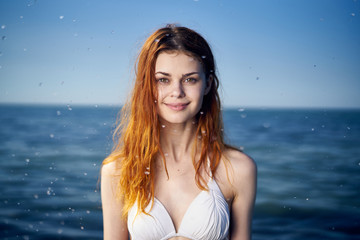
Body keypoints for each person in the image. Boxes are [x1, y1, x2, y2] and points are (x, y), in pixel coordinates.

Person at [101, 24, 257, 240]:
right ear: (147, 85)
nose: (177, 92)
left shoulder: (238, 169)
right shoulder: (118, 171)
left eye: (190, 79)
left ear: (208, 84)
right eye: (163, 80)